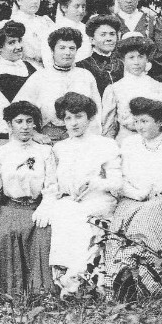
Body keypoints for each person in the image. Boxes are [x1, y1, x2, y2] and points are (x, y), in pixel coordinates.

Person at [99, 97, 162, 293]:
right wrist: (135, 193)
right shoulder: (129, 144)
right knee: (120, 230)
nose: (138, 126)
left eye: (144, 121)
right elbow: (118, 179)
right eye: (136, 121)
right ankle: (119, 284)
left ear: (160, 122)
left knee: (148, 219)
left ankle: (149, 285)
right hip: (131, 202)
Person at [32, 93, 122, 295]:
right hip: (69, 201)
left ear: (89, 118)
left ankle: (82, 281)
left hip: (99, 201)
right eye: (68, 118)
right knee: (64, 213)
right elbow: (52, 184)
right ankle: (69, 281)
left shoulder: (105, 145)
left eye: (78, 116)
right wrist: (47, 203)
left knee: (79, 218)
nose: (73, 123)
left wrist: (94, 183)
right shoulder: (59, 148)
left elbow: (116, 182)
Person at [0, 101, 57, 298]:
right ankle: (9, 294)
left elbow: (52, 186)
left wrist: (46, 206)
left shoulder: (44, 152)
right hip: (10, 207)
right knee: (4, 236)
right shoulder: (0, 153)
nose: (25, 126)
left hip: (36, 208)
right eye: (19, 121)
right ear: (9, 125)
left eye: (30, 121)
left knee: (43, 236)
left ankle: (40, 294)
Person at [13, 27, 101, 141]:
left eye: (72, 48)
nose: (67, 52)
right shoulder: (39, 77)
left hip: (82, 135)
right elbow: (17, 110)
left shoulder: (86, 76)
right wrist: (35, 135)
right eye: (62, 48)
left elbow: (96, 111)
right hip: (49, 136)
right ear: (52, 51)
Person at [101, 34, 162, 142]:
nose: (136, 62)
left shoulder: (159, 87)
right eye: (131, 57)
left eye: (141, 57)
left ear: (147, 59)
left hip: (156, 145)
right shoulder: (114, 89)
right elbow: (109, 128)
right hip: (126, 143)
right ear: (123, 60)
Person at [0, 21, 35, 138]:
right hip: (8, 133)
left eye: (19, 41)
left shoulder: (28, 67)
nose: (19, 46)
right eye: (12, 43)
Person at [109, 0, 162, 79]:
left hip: (149, 77)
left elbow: (160, 53)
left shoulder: (151, 20)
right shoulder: (110, 22)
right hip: (118, 78)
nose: (128, 0)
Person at [8, 0, 54, 69]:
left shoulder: (46, 22)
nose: (35, 1)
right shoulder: (13, 24)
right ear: (19, 0)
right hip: (25, 68)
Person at [43, 0, 92, 66]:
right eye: (76, 6)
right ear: (64, 7)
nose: (81, 11)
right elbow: (48, 61)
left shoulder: (87, 29)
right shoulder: (53, 30)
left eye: (83, 7)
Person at [77, 14, 123, 95]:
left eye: (112, 34)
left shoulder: (122, 65)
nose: (109, 38)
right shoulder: (82, 66)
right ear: (92, 40)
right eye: (103, 35)